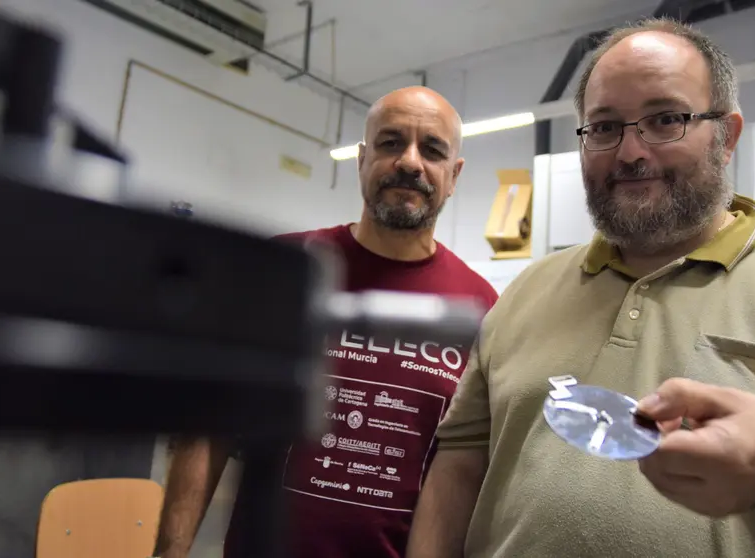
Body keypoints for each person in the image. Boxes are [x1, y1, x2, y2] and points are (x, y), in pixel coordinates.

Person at [407, 17, 755, 558]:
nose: (630, 152)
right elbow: (462, 459)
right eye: (604, 127)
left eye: (666, 119)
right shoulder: (525, 291)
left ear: (728, 137)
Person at [152, 86, 499, 558]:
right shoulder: (283, 268)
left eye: (432, 150)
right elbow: (207, 428)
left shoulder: (480, 308)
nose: (410, 162)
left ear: (453, 175)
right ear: (361, 159)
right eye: (391, 142)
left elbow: (462, 472)